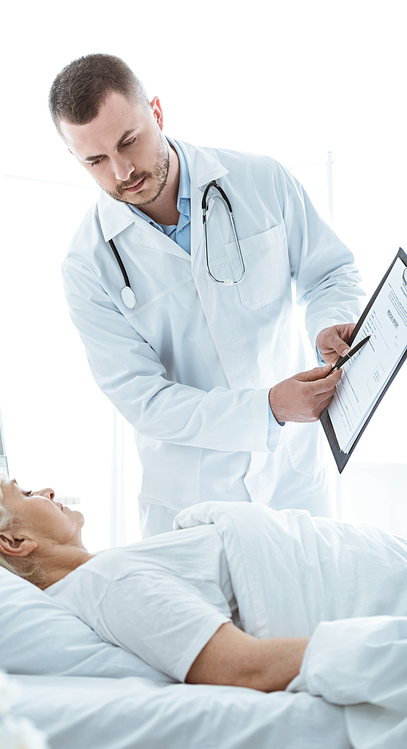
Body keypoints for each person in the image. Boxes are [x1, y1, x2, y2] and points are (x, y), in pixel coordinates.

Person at [49, 54, 366, 537]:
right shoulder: (88, 265)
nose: (121, 171)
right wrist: (269, 409)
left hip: (292, 480)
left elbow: (330, 273)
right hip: (188, 502)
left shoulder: (261, 181)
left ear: (156, 112)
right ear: (75, 158)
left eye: (128, 142)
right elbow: (145, 401)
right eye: (96, 160)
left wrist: (328, 323)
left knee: (318, 608)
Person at [0, 470, 407, 697]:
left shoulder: (105, 572)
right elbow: (246, 669)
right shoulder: (107, 584)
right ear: (14, 540)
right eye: (27, 492)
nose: (48, 491)